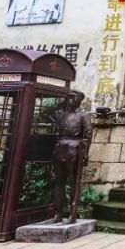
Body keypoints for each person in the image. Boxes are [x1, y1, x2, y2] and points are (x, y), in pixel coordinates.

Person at [45, 91, 92, 224]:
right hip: (60, 148)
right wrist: (59, 105)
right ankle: (58, 213)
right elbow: (45, 114)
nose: (70, 100)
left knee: (73, 183)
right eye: (69, 98)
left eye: (73, 98)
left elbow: (88, 134)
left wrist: (85, 153)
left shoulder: (83, 115)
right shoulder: (62, 114)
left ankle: (73, 213)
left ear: (79, 100)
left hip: (74, 150)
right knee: (59, 182)